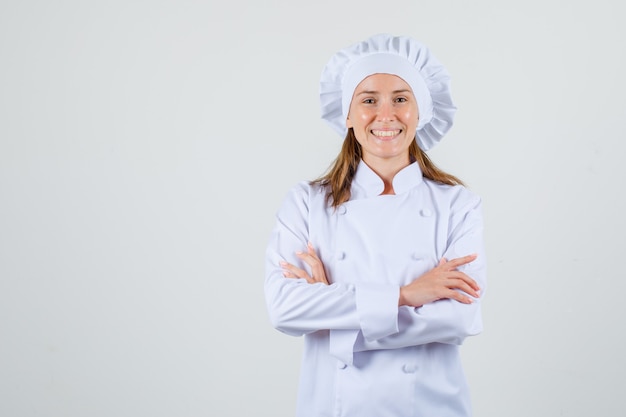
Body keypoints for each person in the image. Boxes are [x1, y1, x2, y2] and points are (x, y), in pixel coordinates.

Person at [264, 33, 487, 417]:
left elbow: (459, 317)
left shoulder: (458, 205)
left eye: (401, 98)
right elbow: (283, 308)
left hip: (431, 407)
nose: (386, 115)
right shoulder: (307, 203)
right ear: (347, 115)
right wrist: (406, 295)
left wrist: (337, 324)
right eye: (368, 100)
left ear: (422, 111)